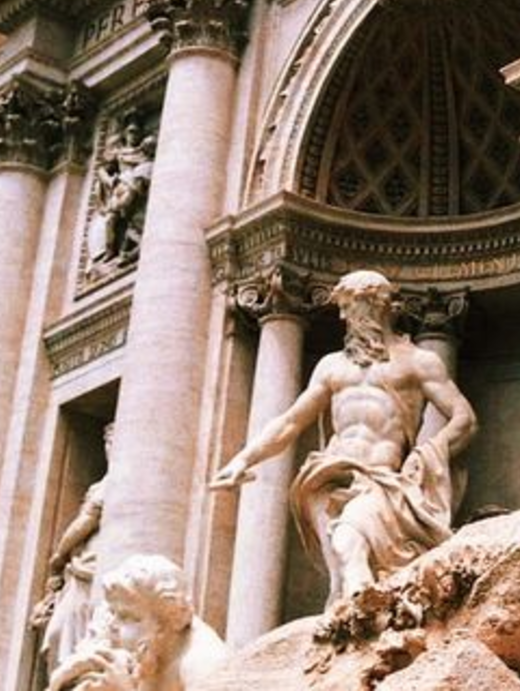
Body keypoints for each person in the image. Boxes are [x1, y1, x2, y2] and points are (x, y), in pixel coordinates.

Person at [211, 270, 477, 604]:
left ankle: (367, 619)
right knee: (340, 576)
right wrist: (244, 459)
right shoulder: (331, 367)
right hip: (330, 480)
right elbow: (291, 422)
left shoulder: (418, 362)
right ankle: (355, 633)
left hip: (381, 481)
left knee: (348, 544)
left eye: (352, 306)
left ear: (380, 306)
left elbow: (464, 419)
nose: (343, 316)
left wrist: (424, 457)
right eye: (343, 308)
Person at [47, 555, 226, 691]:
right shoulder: (141, 648)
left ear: (172, 620)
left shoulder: (203, 663)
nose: (113, 626)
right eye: (113, 612)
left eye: (127, 617)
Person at [31, 424, 113, 678]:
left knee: (74, 630)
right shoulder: (101, 484)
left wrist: (59, 556)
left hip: (96, 559)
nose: (110, 449)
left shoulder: (113, 483)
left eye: (114, 442)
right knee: (59, 632)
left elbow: (87, 520)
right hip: (82, 565)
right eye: (107, 443)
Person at [89, 119, 156, 267]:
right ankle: (110, 250)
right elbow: (101, 170)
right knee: (110, 220)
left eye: (136, 132)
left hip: (134, 187)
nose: (133, 135)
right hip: (119, 187)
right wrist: (109, 181)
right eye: (130, 132)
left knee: (130, 215)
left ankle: (131, 246)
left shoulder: (144, 152)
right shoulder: (119, 153)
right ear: (125, 135)